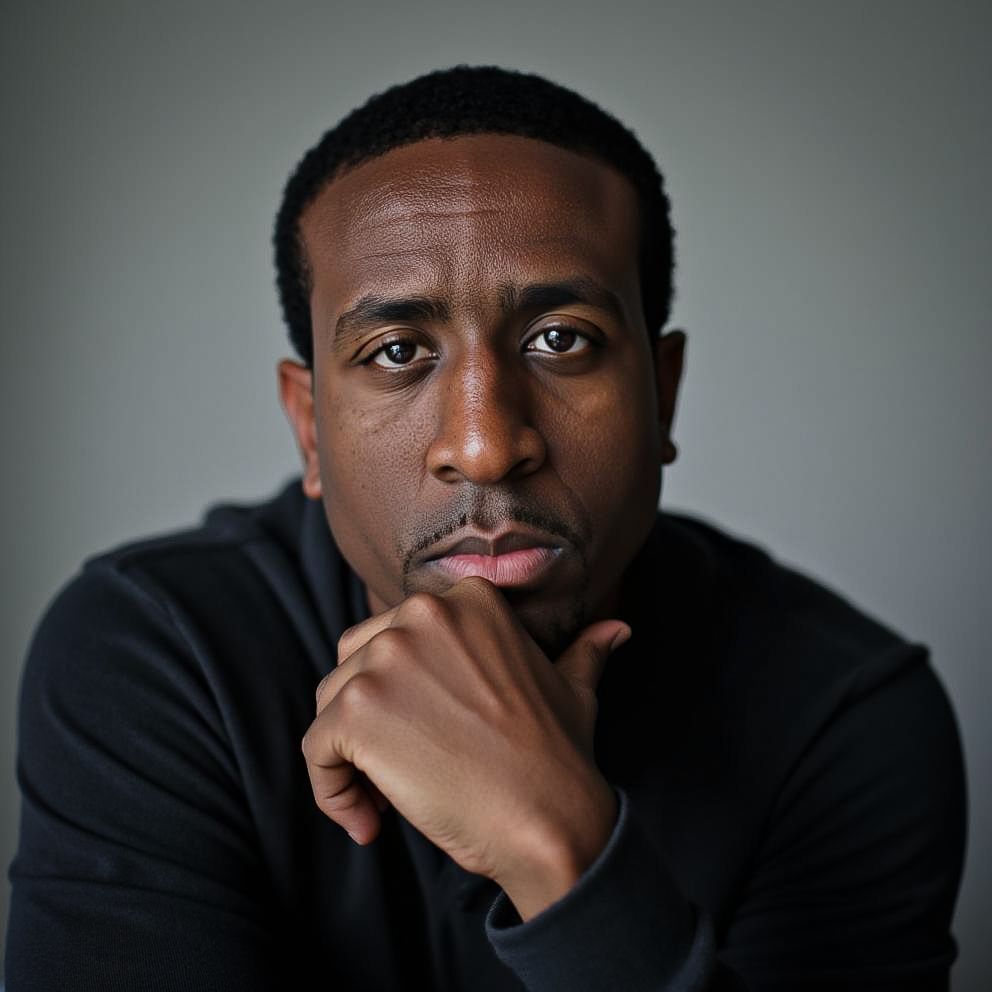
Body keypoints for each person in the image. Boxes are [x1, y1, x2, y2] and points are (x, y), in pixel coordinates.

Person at [5, 66, 965, 991]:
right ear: (310, 426)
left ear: (663, 394)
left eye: (562, 339)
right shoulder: (157, 656)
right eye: (396, 351)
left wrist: (560, 852)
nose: (486, 445)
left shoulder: (845, 719)